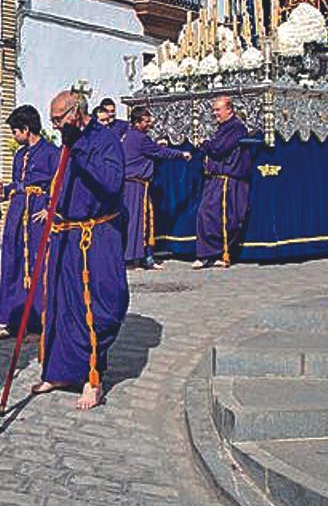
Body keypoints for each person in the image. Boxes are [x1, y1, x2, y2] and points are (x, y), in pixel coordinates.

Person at [34, 90, 128, 411]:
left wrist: (78, 149)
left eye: (58, 119)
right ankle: (59, 371)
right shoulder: (67, 140)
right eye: (53, 121)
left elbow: (112, 183)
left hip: (96, 233)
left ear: (76, 112)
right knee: (61, 304)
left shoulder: (104, 140)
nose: (55, 126)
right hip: (64, 233)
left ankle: (93, 378)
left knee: (96, 304)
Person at [0, 105, 60, 335]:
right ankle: (13, 319)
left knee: (36, 264)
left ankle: (37, 322)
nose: (14, 136)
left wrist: (50, 208)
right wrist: (2, 191)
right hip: (17, 213)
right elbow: (16, 183)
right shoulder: (19, 155)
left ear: (26, 129)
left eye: (15, 131)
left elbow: (59, 183)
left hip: (37, 215)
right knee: (13, 263)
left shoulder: (52, 152)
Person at [122, 106, 190, 270]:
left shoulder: (131, 136)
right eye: (146, 121)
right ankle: (134, 258)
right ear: (137, 122)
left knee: (138, 220)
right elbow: (160, 152)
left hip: (131, 184)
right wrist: (182, 154)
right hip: (135, 185)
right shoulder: (139, 138)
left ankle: (140, 256)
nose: (149, 123)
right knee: (137, 221)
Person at [193, 96, 252, 269]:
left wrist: (204, 143)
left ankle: (221, 253)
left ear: (229, 110)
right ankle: (206, 254)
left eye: (218, 110)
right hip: (215, 179)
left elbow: (219, 148)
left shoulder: (236, 127)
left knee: (227, 217)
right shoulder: (222, 128)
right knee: (206, 214)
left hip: (228, 179)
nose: (215, 113)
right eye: (214, 110)